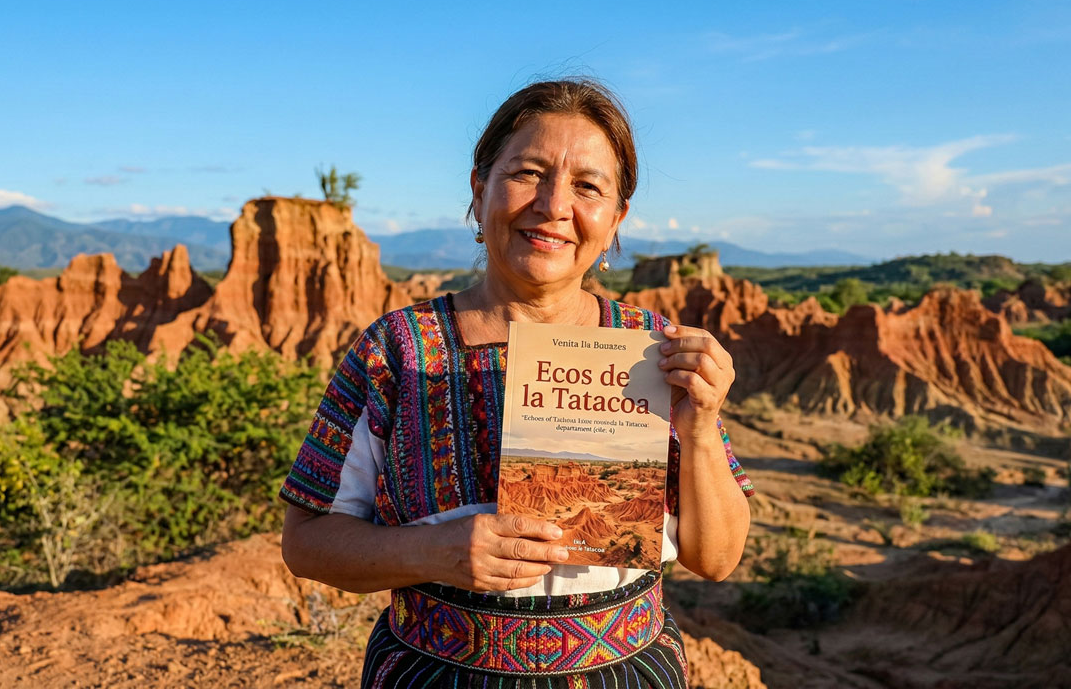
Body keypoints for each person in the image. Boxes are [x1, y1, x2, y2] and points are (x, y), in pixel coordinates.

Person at [279, 78, 755, 689]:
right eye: (528, 172)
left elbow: (716, 559)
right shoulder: (395, 350)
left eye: (588, 186)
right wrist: (433, 552)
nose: (554, 205)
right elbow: (307, 543)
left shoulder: (652, 350)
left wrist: (701, 428)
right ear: (479, 191)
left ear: (615, 220)